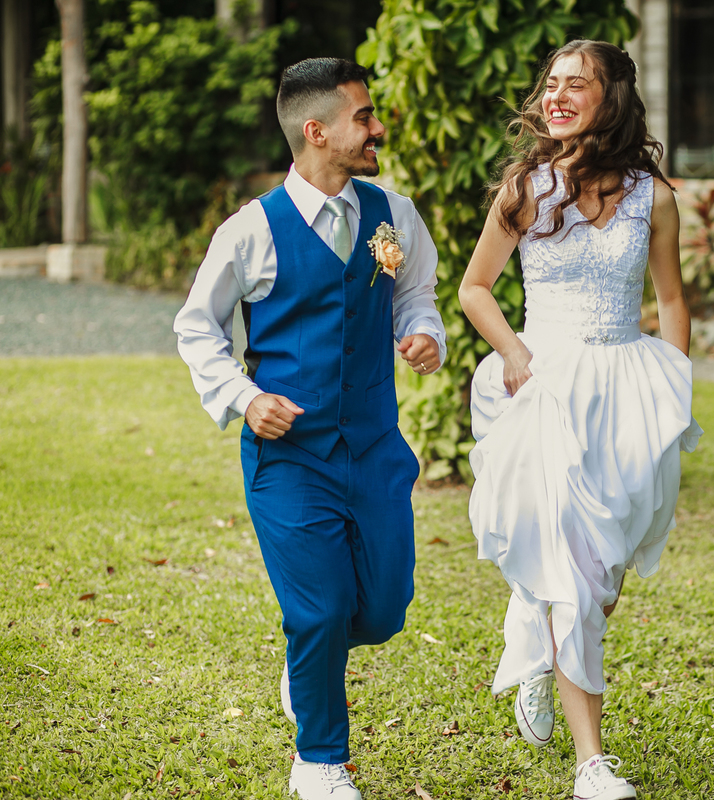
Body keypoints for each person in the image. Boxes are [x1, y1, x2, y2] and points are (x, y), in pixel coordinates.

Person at [174, 58, 446, 800]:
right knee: (319, 608)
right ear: (316, 130)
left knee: (384, 608)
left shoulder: (394, 212)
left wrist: (425, 335)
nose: (377, 127)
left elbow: (416, 295)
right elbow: (198, 328)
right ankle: (319, 762)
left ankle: (309, 663)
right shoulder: (251, 231)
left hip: (375, 449)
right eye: (365, 116)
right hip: (288, 457)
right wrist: (242, 395)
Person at [459, 39, 702, 800]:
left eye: (579, 83)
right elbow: (475, 288)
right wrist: (515, 354)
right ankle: (591, 764)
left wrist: (676, 391)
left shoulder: (652, 195)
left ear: (614, 96)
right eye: (552, 84)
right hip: (547, 386)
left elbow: (672, 301)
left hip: (628, 389)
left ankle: (533, 646)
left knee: (602, 578)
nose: (558, 96)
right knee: (572, 571)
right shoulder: (526, 187)